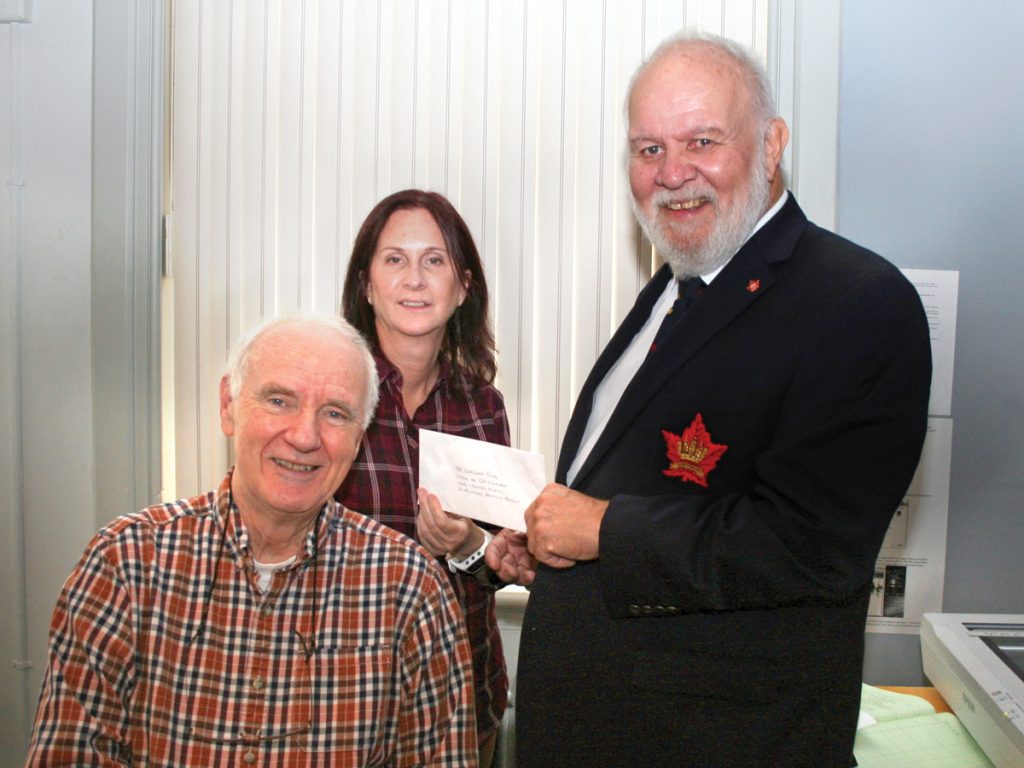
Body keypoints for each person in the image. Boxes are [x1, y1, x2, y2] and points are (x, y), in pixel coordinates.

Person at [488, 31, 933, 767]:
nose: (673, 173)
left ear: (771, 145)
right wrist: (553, 546)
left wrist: (604, 530)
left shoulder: (859, 303)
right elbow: (652, 494)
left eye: (702, 140)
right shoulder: (676, 286)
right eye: (648, 149)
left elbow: (813, 548)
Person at [25, 314, 477, 767]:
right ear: (228, 406)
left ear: (360, 437)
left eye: (335, 413)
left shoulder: (411, 589)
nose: (304, 437)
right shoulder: (125, 565)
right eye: (279, 400)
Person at [337, 189, 508, 767]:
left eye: (433, 261)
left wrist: (465, 547)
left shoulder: (483, 407)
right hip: (345, 700)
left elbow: (505, 559)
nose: (415, 279)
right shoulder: (331, 396)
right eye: (395, 259)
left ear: (462, 287)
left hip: (464, 692)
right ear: (366, 285)